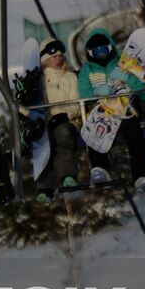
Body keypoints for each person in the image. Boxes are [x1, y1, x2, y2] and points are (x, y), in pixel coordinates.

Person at [76, 28, 145, 192]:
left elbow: (144, 92)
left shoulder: (124, 64)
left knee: (134, 133)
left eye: (103, 49)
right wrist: (97, 93)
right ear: (89, 53)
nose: (100, 54)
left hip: (123, 111)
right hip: (100, 112)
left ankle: (142, 174)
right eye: (96, 51)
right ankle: (100, 168)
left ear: (110, 47)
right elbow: (84, 93)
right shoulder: (88, 70)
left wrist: (127, 78)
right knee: (93, 129)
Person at [35, 39, 83, 202]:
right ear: (45, 59)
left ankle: (68, 176)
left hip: (68, 121)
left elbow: (76, 103)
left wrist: (64, 115)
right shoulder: (38, 81)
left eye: (61, 56)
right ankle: (44, 188)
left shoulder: (70, 77)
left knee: (62, 133)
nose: (58, 59)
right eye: (54, 56)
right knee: (43, 139)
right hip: (46, 122)